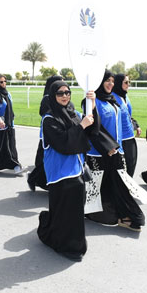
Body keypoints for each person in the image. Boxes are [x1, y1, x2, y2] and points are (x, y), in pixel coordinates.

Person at [37, 81, 99, 262]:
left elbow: (92, 130)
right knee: (65, 210)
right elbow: (63, 143)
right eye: (60, 93)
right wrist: (81, 126)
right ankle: (65, 244)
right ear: (52, 96)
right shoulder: (49, 119)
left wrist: (92, 108)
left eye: (67, 92)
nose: (65, 96)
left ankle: (71, 242)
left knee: (74, 210)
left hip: (76, 168)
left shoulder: (75, 114)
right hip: (59, 173)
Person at [84, 71, 145, 232]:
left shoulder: (113, 100)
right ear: (99, 82)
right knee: (96, 189)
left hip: (116, 150)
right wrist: (107, 147)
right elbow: (92, 129)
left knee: (119, 185)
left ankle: (129, 215)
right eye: (107, 81)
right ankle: (91, 213)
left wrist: (119, 147)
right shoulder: (90, 100)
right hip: (98, 152)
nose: (110, 83)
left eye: (112, 81)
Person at [27, 75, 63, 192]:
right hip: (47, 136)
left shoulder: (57, 96)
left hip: (57, 134)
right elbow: (45, 114)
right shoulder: (47, 98)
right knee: (44, 163)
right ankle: (32, 178)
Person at [111, 73, 141, 177]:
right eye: (126, 82)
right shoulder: (112, 98)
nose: (128, 85)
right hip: (120, 140)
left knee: (131, 167)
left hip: (130, 137)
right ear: (119, 83)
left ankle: (128, 190)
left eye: (129, 82)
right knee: (122, 170)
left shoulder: (125, 96)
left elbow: (128, 115)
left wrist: (136, 125)